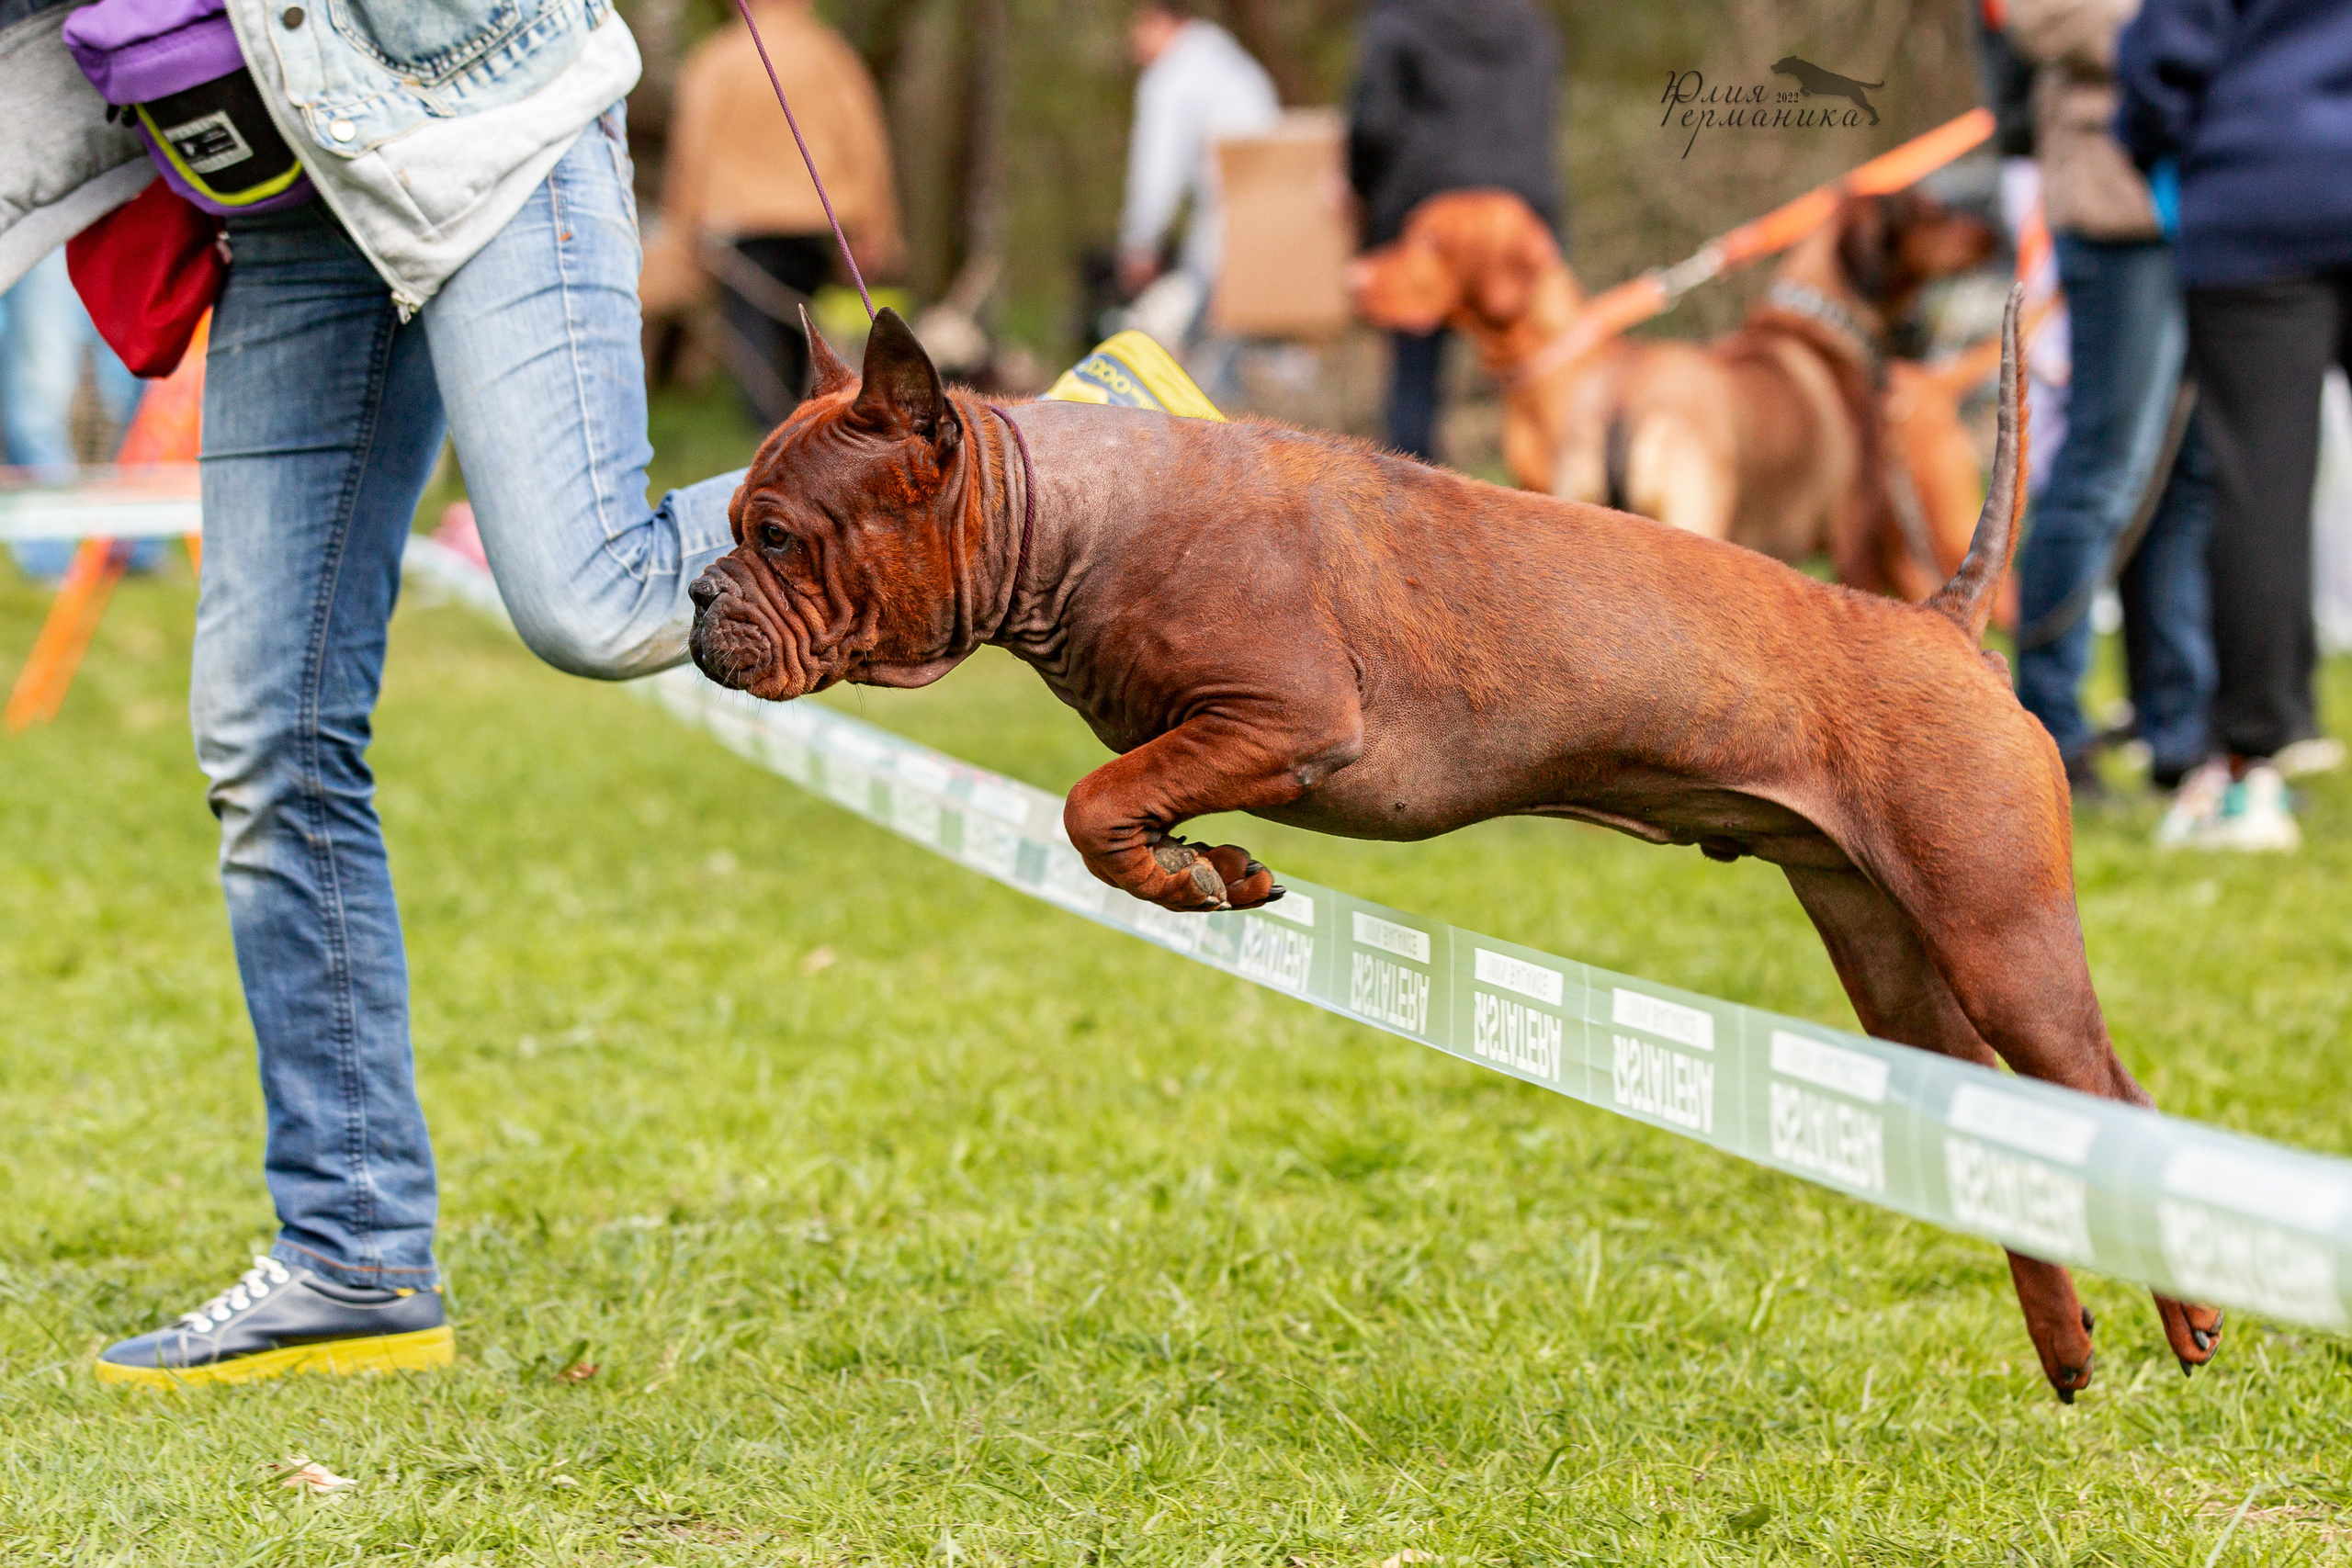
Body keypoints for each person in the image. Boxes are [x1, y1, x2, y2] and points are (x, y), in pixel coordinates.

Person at [5, 0, 752, 1382]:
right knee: (264, 733)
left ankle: (1022, 462)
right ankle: (353, 1256)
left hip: (480, 119)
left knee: (597, 598)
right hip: (287, 208)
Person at [2118, 0, 2352, 851]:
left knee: (2259, 483)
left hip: (2264, 195)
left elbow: (2158, 59)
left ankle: (2253, 767)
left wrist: (2166, 152)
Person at [2005, 0, 2217, 805]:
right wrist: (2189, 36)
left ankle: (2178, 730)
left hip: (2209, 200)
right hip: (2114, 201)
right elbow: (2041, 19)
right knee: (2104, 471)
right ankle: (2045, 728)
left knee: (2189, 480)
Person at [652, 0, 901, 427]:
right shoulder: (831, 57)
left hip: (741, 232)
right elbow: (866, 149)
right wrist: (876, 230)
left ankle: (775, 456)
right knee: (818, 363)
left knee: (762, 371)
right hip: (817, 229)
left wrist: (680, 238)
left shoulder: (716, 60)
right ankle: (813, 450)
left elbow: (689, 157)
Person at [1346, 0, 1561, 464]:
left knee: (1414, 386)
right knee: (1549, 378)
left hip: (1427, 220)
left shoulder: (1397, 20)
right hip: (1518, 222)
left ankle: (1411, 512)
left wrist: (1356, 186)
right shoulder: (1528, 21)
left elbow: (1373, 124)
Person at [1114, 1, 1279, 349]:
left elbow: (1157, 167)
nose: (1134, 39)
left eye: (1138, 26)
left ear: (1160, 21)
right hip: (1273, 217)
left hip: (1223, 224)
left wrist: (1140, 241)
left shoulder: (1171, 78)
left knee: (1205, 337)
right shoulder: (1231, 61)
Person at [0, 245, 156, 581]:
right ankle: (51, 550)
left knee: (131, 384)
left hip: (128, 208)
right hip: (49, 224)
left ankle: (134, 539)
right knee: (41, 391)